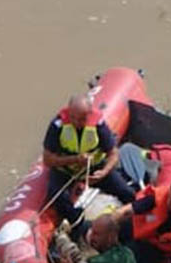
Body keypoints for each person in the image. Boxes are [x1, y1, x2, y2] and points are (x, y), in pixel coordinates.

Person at [43, 94, 136, 226]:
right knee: (56, 196)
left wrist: (104, 172)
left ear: (89, 114)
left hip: (94, 168)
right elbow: (47, 160)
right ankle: (78, 223)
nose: (76, 123)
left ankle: (132, 218)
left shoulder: (98, 125)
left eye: (81, 119)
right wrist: (73, 159)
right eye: (73, 118)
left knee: (125, 191)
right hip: (66, 171)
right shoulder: (57, 126)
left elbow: (113, 153)